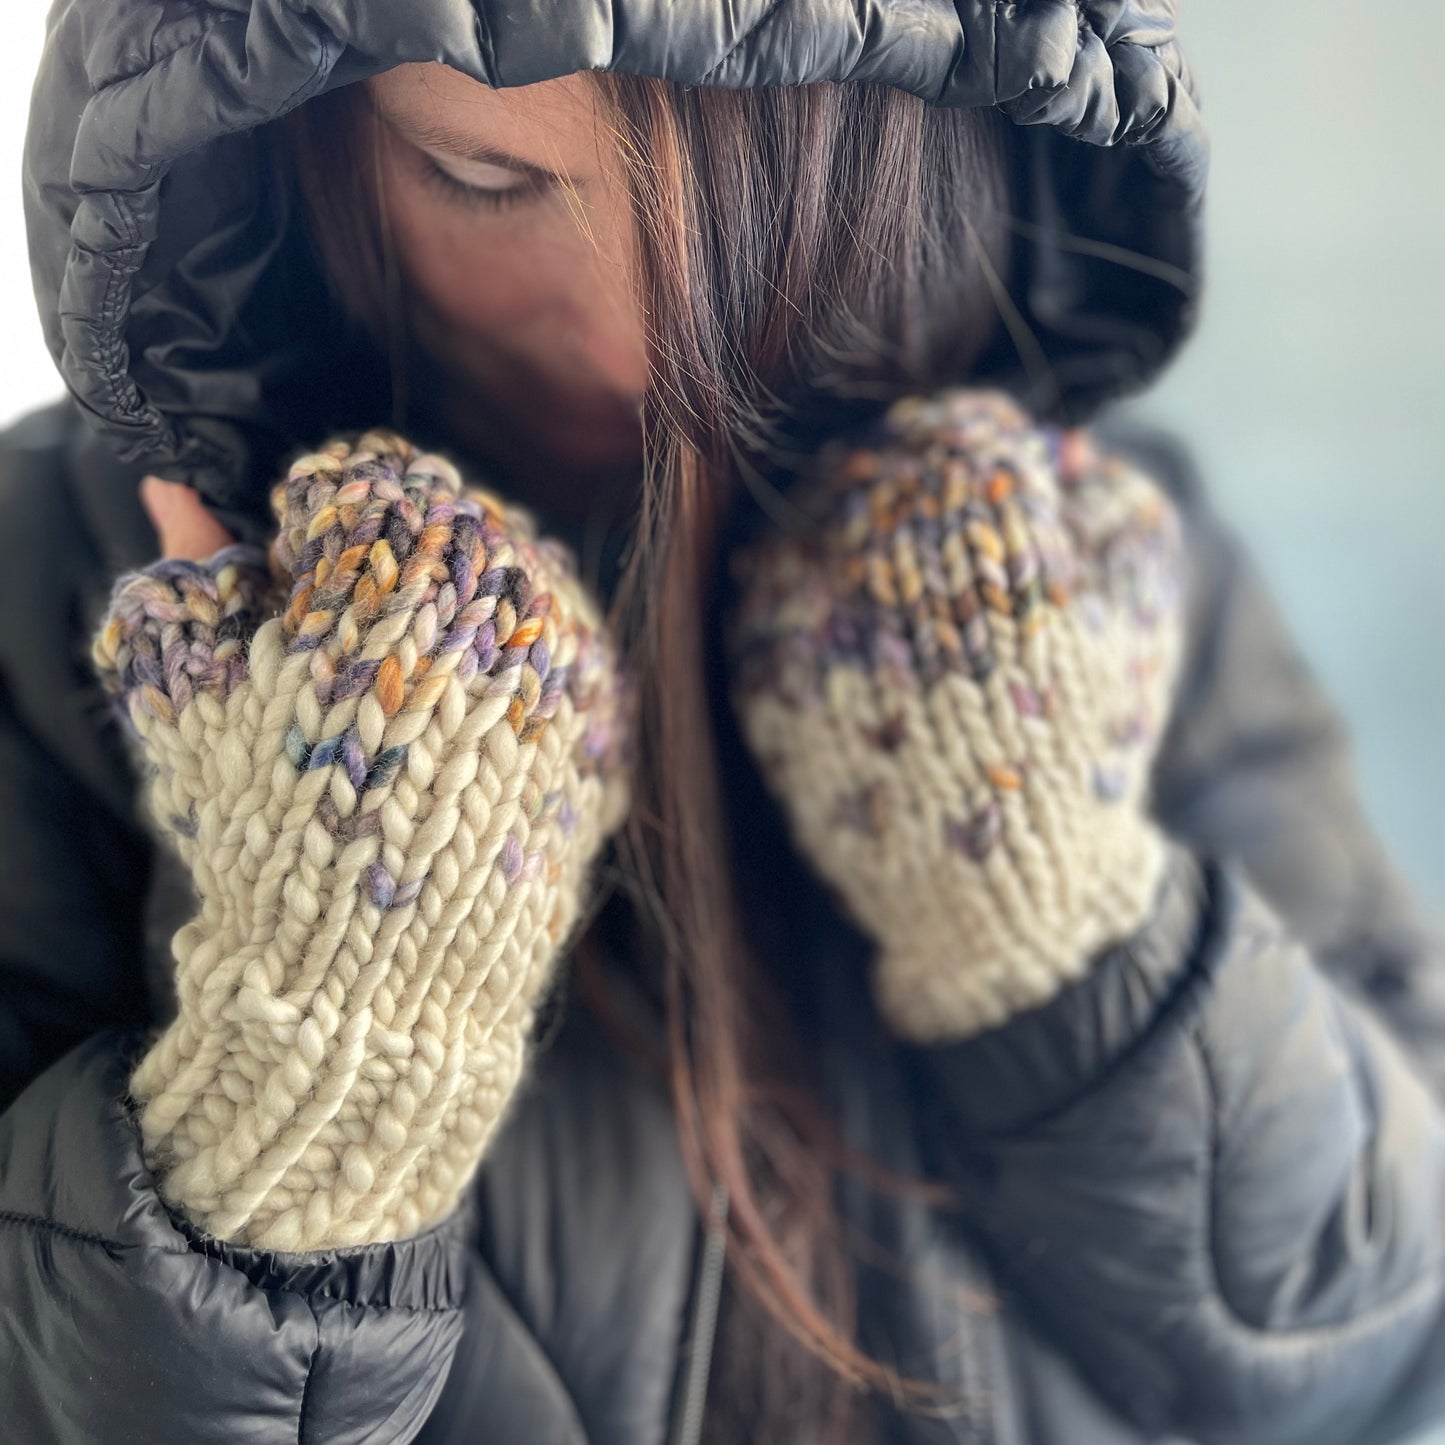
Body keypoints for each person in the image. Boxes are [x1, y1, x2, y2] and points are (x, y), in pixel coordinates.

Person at [1, 4, 1442, 1444]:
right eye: (486, 182)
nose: (638, 342)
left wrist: (1047, 908)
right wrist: (314, 1085)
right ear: (284, 137)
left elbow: (1381, 1332)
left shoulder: (1088, 544)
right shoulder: (53, 574)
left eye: (773, 199)